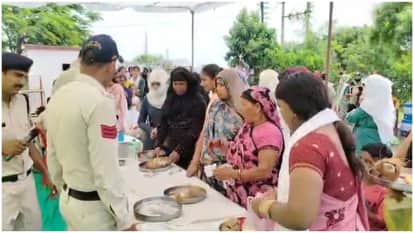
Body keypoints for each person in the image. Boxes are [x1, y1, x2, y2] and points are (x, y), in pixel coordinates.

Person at [251, 72, 369, 230]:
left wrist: (264, 206)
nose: (279, 114)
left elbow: (299, 217)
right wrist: (280, 194)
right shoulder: (331, 130)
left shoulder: (307, 147)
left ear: (293, 109)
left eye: (280, 107)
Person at [46, 34, 137, 230]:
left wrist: (67, 188)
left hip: (69, 200)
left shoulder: (58, 96)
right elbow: (106, 170)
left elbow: (52, 155)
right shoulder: (99, 102)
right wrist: (124, 218)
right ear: (111, 64)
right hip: (95, 210)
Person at [2, 52, 56, 230]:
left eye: (25, 76)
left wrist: (46, 173)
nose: (22, 82)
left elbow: (29, 142)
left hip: (26, 183)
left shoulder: (22, 101)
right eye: (17, 75)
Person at [210, 86, 284, 208]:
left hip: (257, 200)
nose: (240, 109)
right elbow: (246, 152)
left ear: (257, 107)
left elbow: (264, 171)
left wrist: (233, 174)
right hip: (239, 196)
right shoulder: (249, 126)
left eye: (244, 104)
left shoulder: (269, 133)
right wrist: (226, 146)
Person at [188, 69, 246, 194]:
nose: (218, 88)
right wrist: (195, 161)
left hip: (229, 174)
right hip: (207, 169)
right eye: (217, 84)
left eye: (222, 85)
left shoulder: (243, 111)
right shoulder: (215, 106)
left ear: (232, 85)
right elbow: (204, 134)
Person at [154, 67, 206, 169]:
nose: (178, 87)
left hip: (189, 149)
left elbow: (195, 130)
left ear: (188, 83)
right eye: (175, 84)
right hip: (170, 146)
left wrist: (179, 150)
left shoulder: (198, 102)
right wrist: (158, 144)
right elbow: (164, 123)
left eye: (181, 84)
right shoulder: (170, 98)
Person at [187, 64, 223, 177]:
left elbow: (205, 130)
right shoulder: (213, 98)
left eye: (204, 80)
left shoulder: (217, 102)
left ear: (215, 79)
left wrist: (195, 161)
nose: (201, 84)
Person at [346, 74, 396, 155]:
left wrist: (353, 99)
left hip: (364, 144)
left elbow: (350, 118)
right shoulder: (384, 105)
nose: (365, 89)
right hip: (378, 143)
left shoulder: (368, 105)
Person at [360, 143, 393, 231]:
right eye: (361, 159)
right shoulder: (356, 182)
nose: (362, 164)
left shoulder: (384, 193)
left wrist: (364, 211)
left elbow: (383, 222)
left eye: (368, 161)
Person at [138, 68, 169, 150]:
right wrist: (150, 130)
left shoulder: (171, 99)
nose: (155, 86)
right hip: (151, 137)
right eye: (153, 84)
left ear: (164, 83)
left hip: (169, 138)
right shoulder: (147, 98)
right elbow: (140, 121)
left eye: (158, 84)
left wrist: (161, 130)